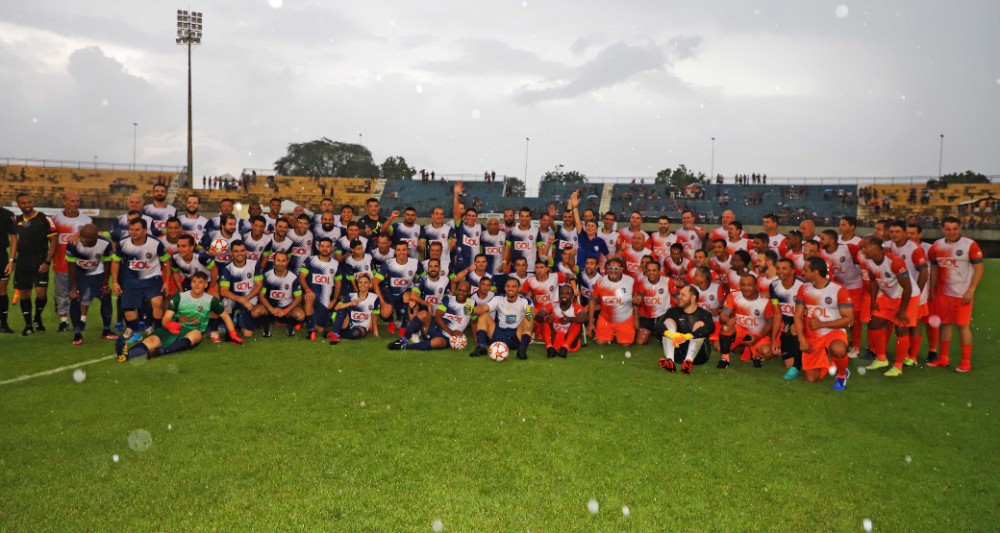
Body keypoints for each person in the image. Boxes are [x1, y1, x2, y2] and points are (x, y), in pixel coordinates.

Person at [116, 271, 242, 361]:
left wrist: (233, 335)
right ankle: (127, 355)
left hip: (192, 331)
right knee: (151, 341)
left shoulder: (211, 300)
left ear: (206, 285)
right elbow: (166, 318)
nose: (197, 284)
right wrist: (168, 325)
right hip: (174, 329)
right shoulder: (180, 297)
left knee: (197, 334)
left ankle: (161, 352)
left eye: (200, 282)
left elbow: (225, 316)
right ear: (191, 283)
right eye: (194, 281)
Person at [927, 216, 983, 372]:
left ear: (960, 228)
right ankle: (943, 358)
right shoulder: (937, 246)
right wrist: (932, 289)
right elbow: (935, 268)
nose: (951, 232)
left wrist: (971, 290)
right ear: (942, 229)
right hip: (943, 293)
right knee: (944, 324)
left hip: (962, 294)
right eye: (948, 229)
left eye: (955, 229)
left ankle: (966, 361)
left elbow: (979, 269)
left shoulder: (969, 245)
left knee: (962, 326)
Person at [795, 257, 854, 390]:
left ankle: (841, 374)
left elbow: (849, 319)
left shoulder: (839, 290)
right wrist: (802, 340)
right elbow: (798, 315)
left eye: (806, 270)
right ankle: (834, 363)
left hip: (834, 332)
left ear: (815, 272)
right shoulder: (804, 289)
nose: (803, 273)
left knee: (838, 349)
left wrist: (822, 325)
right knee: (811, 379)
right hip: (812, 336)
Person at [111, 218, 171, 344]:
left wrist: (166, 282)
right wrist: (115, 282)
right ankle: (137, 332)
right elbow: (115, 262)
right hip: (131, 279)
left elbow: (166, 261)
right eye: (131, 229)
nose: (134, 232)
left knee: (157, 302)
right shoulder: (123, 243)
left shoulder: (155, 243)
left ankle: (158, 331)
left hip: (153, 278)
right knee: (128, 309)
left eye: (137, 230)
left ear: (144, 231)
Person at [861, 237, 914, 377]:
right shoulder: (868, 261)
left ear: (876, 247)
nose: (862, 250)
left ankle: (898, 366)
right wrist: (873, 300)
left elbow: (907, 287)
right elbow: (873, 280)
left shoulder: (895, 262)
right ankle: (881, 359)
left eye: (865, 246)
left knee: (901, 327)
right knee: (874, 324)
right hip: (888, 295)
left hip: (907, 296)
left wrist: (902, 310)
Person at [13, 192, 57, 336]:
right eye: (23, 203)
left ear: (33, 202)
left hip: (40, 259)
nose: (27, 205)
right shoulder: (16, 220)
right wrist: (12, 260)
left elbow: (54, 241)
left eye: (29, 202)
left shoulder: (45, 219)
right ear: (18, 204)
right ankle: (28, 325)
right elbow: (13, 241)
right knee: (24, 293)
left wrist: (47, 261)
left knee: (40, 293)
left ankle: (37, 316)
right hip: (23, 260)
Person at [886, 220, 928, 367]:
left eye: (897, 232)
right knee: (902, 324)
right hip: (901, 292)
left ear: (904, 233)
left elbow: (924, 272)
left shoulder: (914, 248)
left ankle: (913, 356)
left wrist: (919, 292)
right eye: (891, 232)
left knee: (914, 324)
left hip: (915, 292)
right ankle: (905, 354)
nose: (894, 234)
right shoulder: (890, 246)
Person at [389, 279, 474, 351]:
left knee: (437, 342)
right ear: (456, 289)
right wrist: (451, 332)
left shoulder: (472, 304)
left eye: (464, 291)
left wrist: (476, 340)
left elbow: (474, 321)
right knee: (423, 314)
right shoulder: (448, 299)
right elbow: (437, 316)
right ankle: (403, 340)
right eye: (459, 290)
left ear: (469, 292)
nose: (461, 293)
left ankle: (405, 347)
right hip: (434, 328)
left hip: (448, 338)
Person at [819, 228, 865, 358]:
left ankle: (855, 346)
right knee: (836, 317)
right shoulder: (821, 254)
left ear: (832, 241)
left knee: (854, 317)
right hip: (838, 289)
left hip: (855, 286)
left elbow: (863, 254)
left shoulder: (848, 248)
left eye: (823, 238)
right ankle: (834, 342)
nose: (821, 241)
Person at [65, 224, 114, 344]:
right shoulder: (73, 244)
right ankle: (77, 334)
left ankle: (106, 331)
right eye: (82, 236)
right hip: (78, 275)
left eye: (86, 238)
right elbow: (71, 266)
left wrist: (105, 284)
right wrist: (73, 288)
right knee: (74, 298)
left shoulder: (105, 244)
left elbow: (107, 264)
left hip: (97, 274)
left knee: (106, 296)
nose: (82, 240)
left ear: (95, 237)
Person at [52, 191, 93, 333]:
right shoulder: (55, 219)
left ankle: (82, 320)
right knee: (61, 293)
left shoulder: (86, 220)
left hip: (81, 265)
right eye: (72, 201)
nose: (75, 204)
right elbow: (52, 241)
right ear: (64, 202)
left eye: (77, 201)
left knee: (84, 293)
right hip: (61, 263)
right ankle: (63, 321)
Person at [719, 273, 776, 368]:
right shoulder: (734, 296)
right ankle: (725, 359)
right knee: (725, 329)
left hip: (756, 334)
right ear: (739, 285)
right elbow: (723, 315)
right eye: (743, 285)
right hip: (740, 332)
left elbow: (770, 323)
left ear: (756, 286)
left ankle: (751, 352)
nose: (745, 288)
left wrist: (758, 337)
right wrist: (727, 320)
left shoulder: (765, 300)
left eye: (749, 285)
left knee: (767, 353)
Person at [469, 277, 535, 359]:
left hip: (516, 335)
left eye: (514, 286)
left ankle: (522, 350)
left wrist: (530, 312)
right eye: (508, 286)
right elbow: (483, 308)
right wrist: (472, 310)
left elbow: (531, 313)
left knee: (528, 318)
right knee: (483, 315)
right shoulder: (498, 299)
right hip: (498, 333)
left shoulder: (525, 301)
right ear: (505, 288)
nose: (510, 288)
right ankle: (481, 347)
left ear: (519, 288)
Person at [659, 285, 716, 373]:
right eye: (679, 294)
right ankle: (670, 361)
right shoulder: (673, 311)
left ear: (693, 298)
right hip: (678, 352)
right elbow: (658, 325)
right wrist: (671, 334)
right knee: (668, 321)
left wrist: (687, 336)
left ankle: (688, 362)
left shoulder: (704, 314)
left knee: (699, 324)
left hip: (699, 356)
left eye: (683, 295)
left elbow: (710, 328)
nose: (679, 297)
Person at [218, 240, 264, 339]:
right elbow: (223, 291)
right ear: (231, 253)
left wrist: (246, 298)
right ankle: (229, 326)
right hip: (235, 299)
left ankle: (238, 318)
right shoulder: (227, 268)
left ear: (246, 251)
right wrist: (240, 299)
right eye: (236, 251)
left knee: (247, 334)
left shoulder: (254, 264)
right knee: (226, 302)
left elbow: (259, 285)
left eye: (242, 250)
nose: (240, 254)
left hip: (249, 298)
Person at [907, 223, 939, 362]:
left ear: (920, 234)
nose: (910, 236)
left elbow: (935, 269)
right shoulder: (901, 246)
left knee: (929, 321)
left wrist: (932, 289)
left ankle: (932, 350)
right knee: (911, 322)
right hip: (908, 292)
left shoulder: (928, 248)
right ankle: (910, 352)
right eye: (907, 233)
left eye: (913, 233)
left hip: (925, 291)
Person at [588, 258, 636, 347]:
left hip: (625, 319)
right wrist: (590, 323)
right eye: (610, 268)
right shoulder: (600, 281)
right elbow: (592, 301)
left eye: (616, 269)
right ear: (606, 269)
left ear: (621, 269)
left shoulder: (630, 281)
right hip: (606, 318)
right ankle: (612, 333)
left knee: (626, 344)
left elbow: (636, 302)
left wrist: (636, 320)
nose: (613, 271)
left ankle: (617, 333)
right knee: (600, 342)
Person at [374, 241, 419, 336]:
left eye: (404, 250)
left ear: (408, 251)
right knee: (384, 315)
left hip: (405, 291)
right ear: (395, 252)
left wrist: (415, 294)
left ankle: (403, 326)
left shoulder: (415, 263)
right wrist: (383, 303)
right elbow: (375, 282)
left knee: (407, 297)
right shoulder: (388, 263)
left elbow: (422, 279)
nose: (401, 252)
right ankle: (391, 321)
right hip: (390, 293)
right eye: (398, 250)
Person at [256, 251, 306, 337]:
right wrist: (271, 309)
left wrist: (286, 310)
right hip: (270, 308)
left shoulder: (293, 277)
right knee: (255, 312)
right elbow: (261, 296)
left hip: (286, 309)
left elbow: (298, 298)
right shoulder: (267, 275)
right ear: (274, 261)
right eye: (278, 260)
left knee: (300, 315)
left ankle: (289, 324)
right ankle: (266, 324)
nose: (280, 263)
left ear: (287, 261)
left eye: (283, 261)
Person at [770, 257, 804, 380]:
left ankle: (798, 365)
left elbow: (807, 312)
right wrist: (774, 338)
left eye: (784, 268)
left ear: (793, 271)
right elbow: (777, 313)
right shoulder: (774, 286)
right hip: (786, 323)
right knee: (787, 364)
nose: (780, 271)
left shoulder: (802, 286)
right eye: (778, 268)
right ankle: (801, 359)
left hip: (802, 321)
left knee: (795, 328)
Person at [536, 284, 588, 358]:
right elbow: (538, 317)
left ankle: (565, 348)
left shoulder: (576, 307)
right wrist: (546, 318)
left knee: (577, 322)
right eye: (562, 293)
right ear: (559, 295)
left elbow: (585, 317)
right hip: (555, 338)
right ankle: (549, 348)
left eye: (567, 293)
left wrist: (569, 319)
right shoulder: (552, 305)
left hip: (570, 341)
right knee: (546, 321)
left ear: (572, 295)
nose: (564, 295)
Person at [327, 273, 380, 344]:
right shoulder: (351, 296)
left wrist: (376, 330)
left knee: (355, 334)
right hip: (348, 324)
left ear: (370, 284)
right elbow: (336, 307)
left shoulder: (374, 298)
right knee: (341, 310)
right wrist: (350, 303)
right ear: (357, 284)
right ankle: (336, 335)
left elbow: (374, 315)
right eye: (360, 282)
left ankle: (334, 333)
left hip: (362, 326)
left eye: (365, 282)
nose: (363, 285)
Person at [633, 261, 674, 346]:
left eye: (654, 270)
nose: (651, 273)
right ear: (646, 271)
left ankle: (659, 332)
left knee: (667, 343)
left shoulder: (667, 281)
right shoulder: (642, 283)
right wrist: (636, 318)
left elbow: (677, 297)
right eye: (649, 270)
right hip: (647, 317)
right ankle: (653, 332)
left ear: (659, 271)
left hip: (663, 316)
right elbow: (638, 300)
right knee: (640, 342)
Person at [0, 199, 17, 333]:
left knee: (2, 289)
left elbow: (13, 238)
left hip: (1, 256)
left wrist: (11, 260)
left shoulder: (7, 214)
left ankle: (3, 324)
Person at [507, 207, 541, 275]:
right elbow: (507, 248)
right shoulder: (512, 231)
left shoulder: (536, 231)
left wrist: (540, 266)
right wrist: (505, 261)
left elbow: (540, 250)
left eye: (527, 216)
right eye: (522, 216)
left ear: (530, 218)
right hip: (515, 268)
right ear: (519, 217)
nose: (524, 218)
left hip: (531, 268)